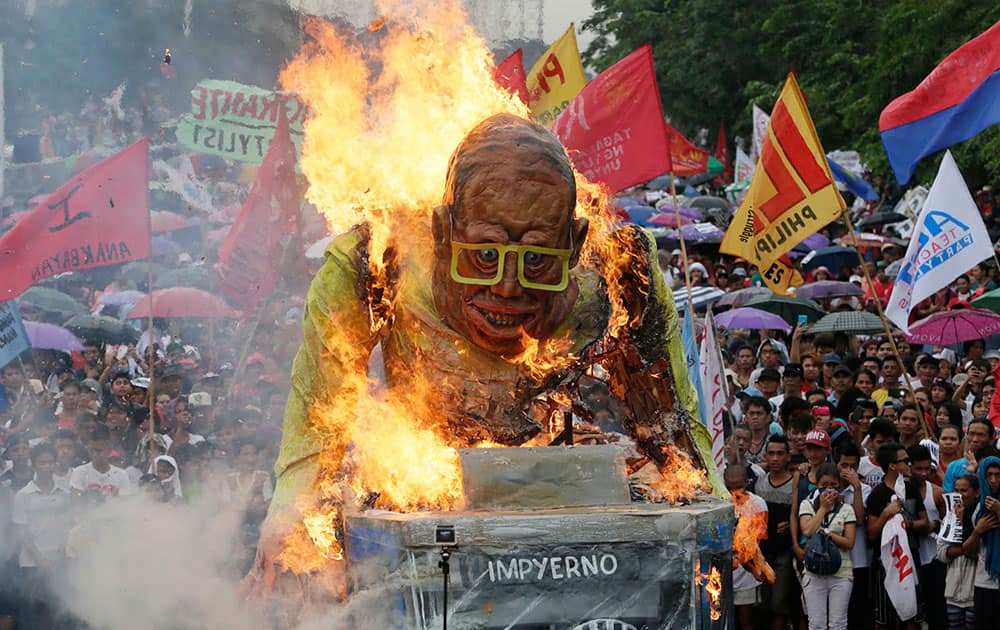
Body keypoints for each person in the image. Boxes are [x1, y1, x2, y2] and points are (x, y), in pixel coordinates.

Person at [866, 442, 930, 629]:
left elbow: (924, 521)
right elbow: (871, 534)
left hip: (910, 558)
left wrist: (907, 523)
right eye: (905, 461)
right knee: (884, 619)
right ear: (893, 465)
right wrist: (887, 514)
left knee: (913, 617)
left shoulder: (910, 489)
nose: (908, 464)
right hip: (885, 563)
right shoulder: (877, 494)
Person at [11, 443, 71, 628]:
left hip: (59, 562)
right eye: (42, 463)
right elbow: (22, 532)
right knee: (35, 615)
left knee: (59, 612)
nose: (46, 467)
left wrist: (60, 556)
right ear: (34, 465)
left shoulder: (64, 493)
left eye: (50, 462)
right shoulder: (23, 495)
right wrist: (41, 560)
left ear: (55, 464)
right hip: (31, 563)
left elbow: (68, 527)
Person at [799, 462, 857, 630]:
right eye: (824, 485)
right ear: (817, 485)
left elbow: (849, 543)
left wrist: (827, 533)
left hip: (841, 572)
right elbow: (807, 530)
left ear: (840, 486)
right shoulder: (807, 505)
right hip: (813, 572)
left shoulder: (846, 509)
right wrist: (823, 508)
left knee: (838, 624)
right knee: (816, 624)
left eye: (833, 485)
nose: (829, 489)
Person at [750, 435, 796, 630]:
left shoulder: (795, 484)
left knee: (780, 604)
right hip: (761, 552)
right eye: (771, 454)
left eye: (780, 454)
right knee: (761, 604)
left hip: (784, 553)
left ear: (788, 456)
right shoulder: (758, 483)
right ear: (765, 456)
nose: (775, 458)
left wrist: (791, 525)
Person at [909, 444, 947, 628]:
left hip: (933, 559)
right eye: (918, 469)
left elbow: (950, 525)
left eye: (927, 469)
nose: (923, 473)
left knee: (935, 608)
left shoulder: (937, 493)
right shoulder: (900, 491)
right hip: (909, 559)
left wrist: (934, 525)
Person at [726, 464, 768, 630]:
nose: (734, 492)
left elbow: (759, 540)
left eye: (738, 487)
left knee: (746, 619)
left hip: (746, 571)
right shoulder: (719, 502)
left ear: (746, 482)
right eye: (730, 487)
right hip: (722, 570)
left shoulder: (758, 504)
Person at [937, 474, 979, 629]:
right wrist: (963, 548)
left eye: (964, 490)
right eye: (956, 490)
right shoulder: (949, 518)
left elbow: (975, 553)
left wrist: (965, 524)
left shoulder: (980, 519)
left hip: (974, 594)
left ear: (977, 493)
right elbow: (941, 553)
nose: (960, 495)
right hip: (953, 593)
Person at [69, 424, 134, 502]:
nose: (94, 455)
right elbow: (76, 503)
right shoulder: (79, 472)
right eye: (91, 450)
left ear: (109, 448)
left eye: (99, 451)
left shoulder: (121, 475)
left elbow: (125, 503)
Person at [943, 418, 995, 491]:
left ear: (991, 439)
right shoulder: (954, 466)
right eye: (971, 434)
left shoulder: (997, 463)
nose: (974, 439)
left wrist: (977, 472)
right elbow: (948, 495)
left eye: (981, 435)